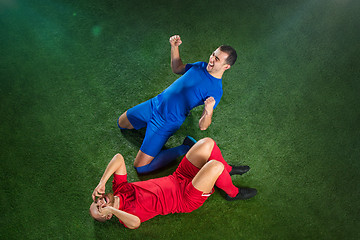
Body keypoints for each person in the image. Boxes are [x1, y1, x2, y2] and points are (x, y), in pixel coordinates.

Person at [118, 35, 238, 174]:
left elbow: (203, 126)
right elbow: (177, 68)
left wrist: (209, 111)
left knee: (141, 167)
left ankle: (186, 147)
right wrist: (174, 47)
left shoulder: (216, 90)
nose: (211, 59)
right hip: (154, 105)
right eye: (213, 54)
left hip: (166, 121)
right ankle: (148, 130)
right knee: (121, 123)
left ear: (226, 66)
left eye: (217, 59)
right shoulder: (201, 65)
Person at [90, 138, 257, 229]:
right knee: (215, 166)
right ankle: (232, 193)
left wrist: (102, 181)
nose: (99, 202)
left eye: (95, 202)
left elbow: (118, 158)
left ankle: (227, 171)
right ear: (108, 215)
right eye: (99, 208)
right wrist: (112, 208)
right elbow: (135, 223)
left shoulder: (119, 188)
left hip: (179, 176)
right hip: (186, 198)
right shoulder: (125, 216)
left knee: (206, 144)